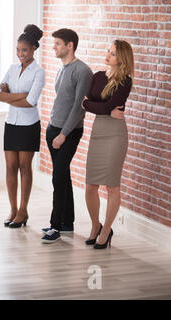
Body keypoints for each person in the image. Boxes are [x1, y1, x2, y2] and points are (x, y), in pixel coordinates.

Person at [41, 28, 93, 244]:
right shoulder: (63, 69)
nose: (54, 47)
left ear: (70, 45)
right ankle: (67, 222)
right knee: (63, 176)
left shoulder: (83, 71)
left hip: (68, 132)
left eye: (57, 44)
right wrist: (53, 129)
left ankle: (55, 226)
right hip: (54, 128)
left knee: (57, 177)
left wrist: (63, 134)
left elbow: (79, 108)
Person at [82, 40, 134, 249]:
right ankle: (96, 225)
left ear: (122, 58)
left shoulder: (125, 82)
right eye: (108, 51)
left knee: (112, 186)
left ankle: (106, 231)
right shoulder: (97, 77)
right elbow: (86, 103)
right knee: (90, 186)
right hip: (98, 132)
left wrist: (94, 105)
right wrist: (98, 107)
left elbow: (106, 106)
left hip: (115, 134)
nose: (108, 55)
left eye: (113, 53)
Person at [0, 24, 45, 229]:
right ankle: (13, 209)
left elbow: (31, 102)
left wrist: (10, 96)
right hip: (12, 122)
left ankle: (23, 210)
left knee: (25, 167)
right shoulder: (12, 68)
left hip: (28, 124)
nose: (20, 54)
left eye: (24, 50)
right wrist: (19, 96)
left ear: (33, 49)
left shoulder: (39, 72)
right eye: (18, 50)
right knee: (10, 167)